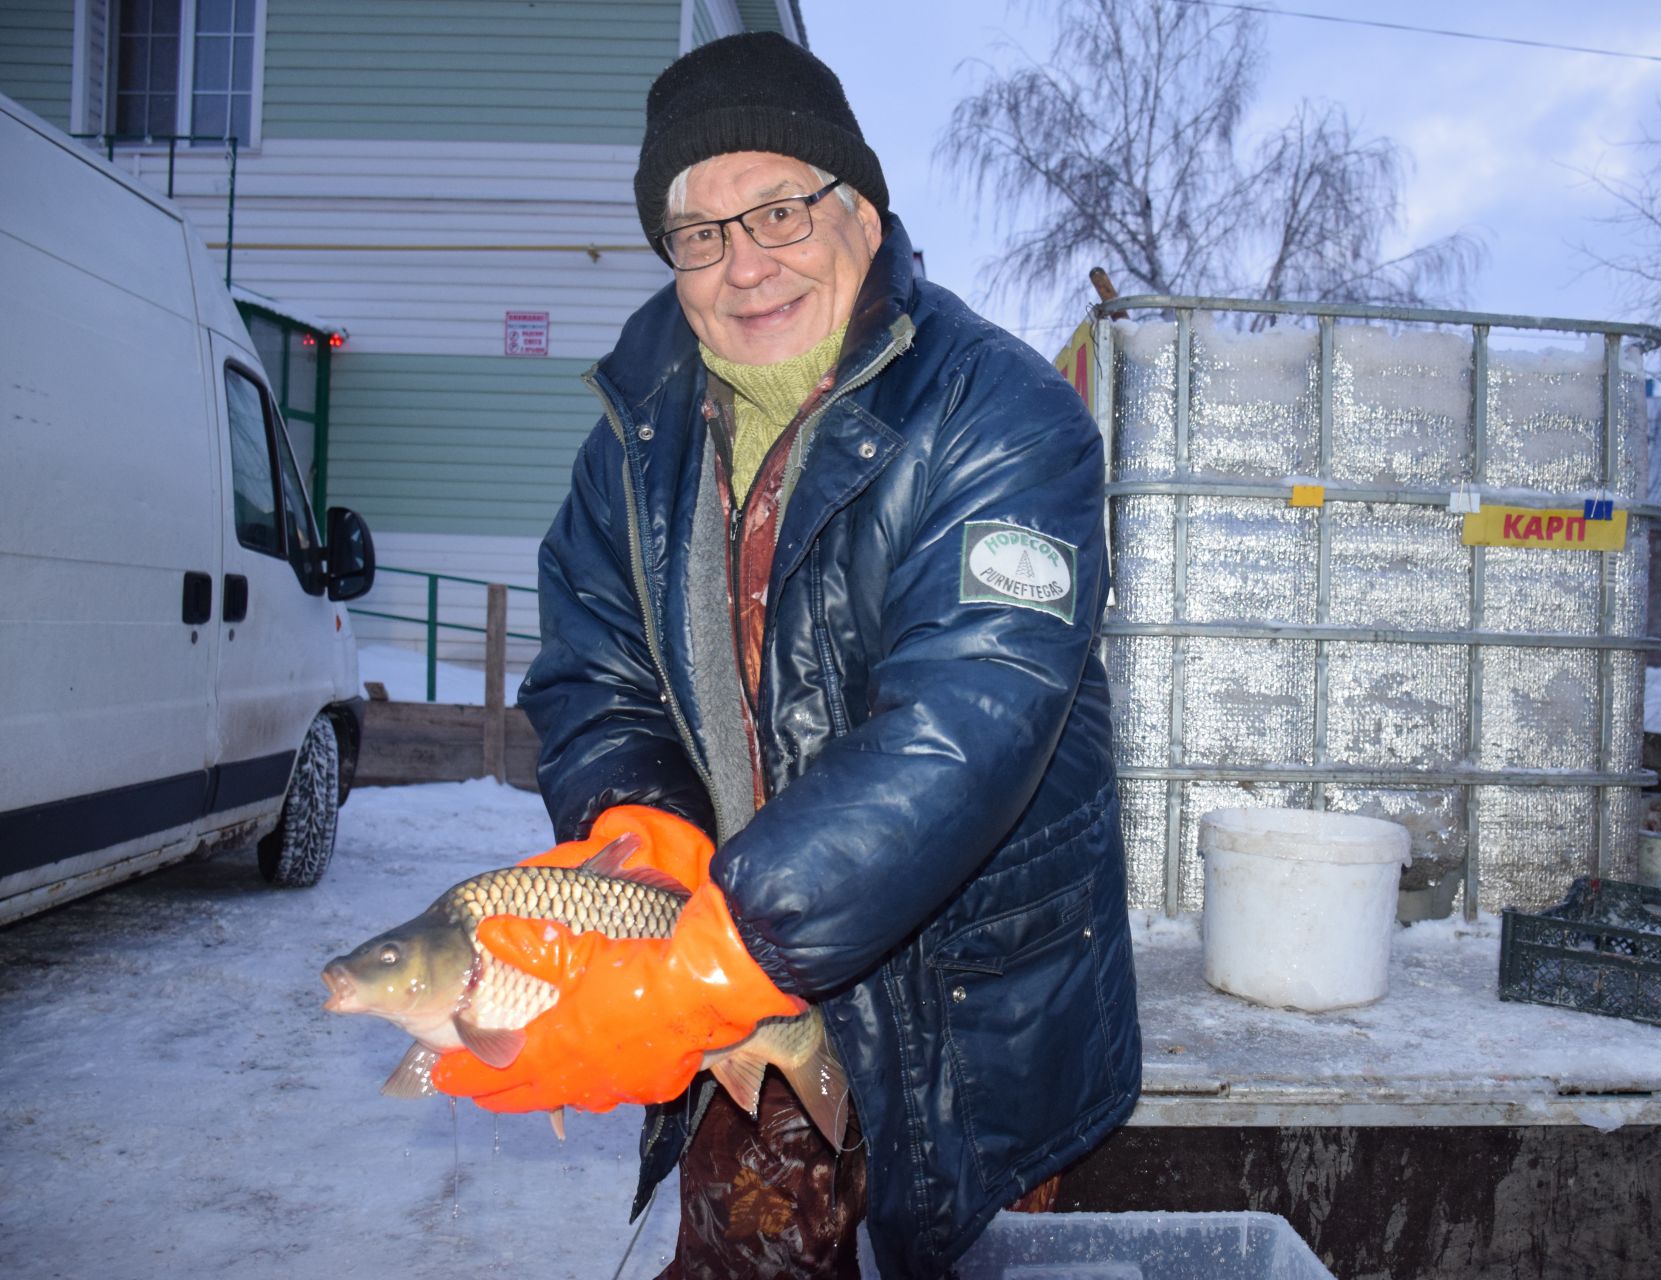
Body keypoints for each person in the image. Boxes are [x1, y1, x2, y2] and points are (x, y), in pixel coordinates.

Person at [430, 31, 1141, 1280]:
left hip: (964, 1024)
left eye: (778, 211)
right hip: (736, 1022)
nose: (741, 264)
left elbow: (963, 731)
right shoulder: (629, 445)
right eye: (697, 232)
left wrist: (711, 958)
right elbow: (596, 680)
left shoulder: (1007, 417)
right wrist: (633, 830)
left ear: (863, 212)